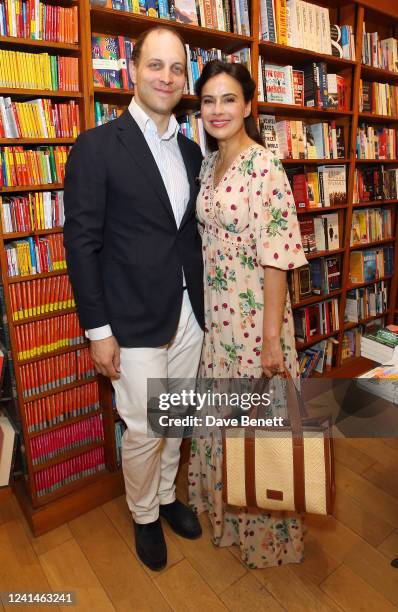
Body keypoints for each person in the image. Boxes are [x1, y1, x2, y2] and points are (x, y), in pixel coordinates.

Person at [63, 26, 205, 572]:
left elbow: (186, 232)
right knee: (144, 426)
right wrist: (98, 330)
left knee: (179, 415)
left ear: (183, 79)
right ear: (132, 70)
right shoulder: (96, 146)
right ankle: (144, 514)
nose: (166, 77)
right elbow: (82, 242)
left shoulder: (193, 150)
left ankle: (167, 496)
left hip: (190, 312)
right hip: (130, 316)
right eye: (155, 65)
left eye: (175, 68)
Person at [188, 60, 309, 568]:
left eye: (228, 99)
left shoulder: (265, 166)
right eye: (209, 101)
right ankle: (227, 519)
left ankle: (269, 538)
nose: (218, 110)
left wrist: (271, 341)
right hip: (217, 322)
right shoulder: (206, 164)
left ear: (248, 105)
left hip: (255, 321)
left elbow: (278, 254)